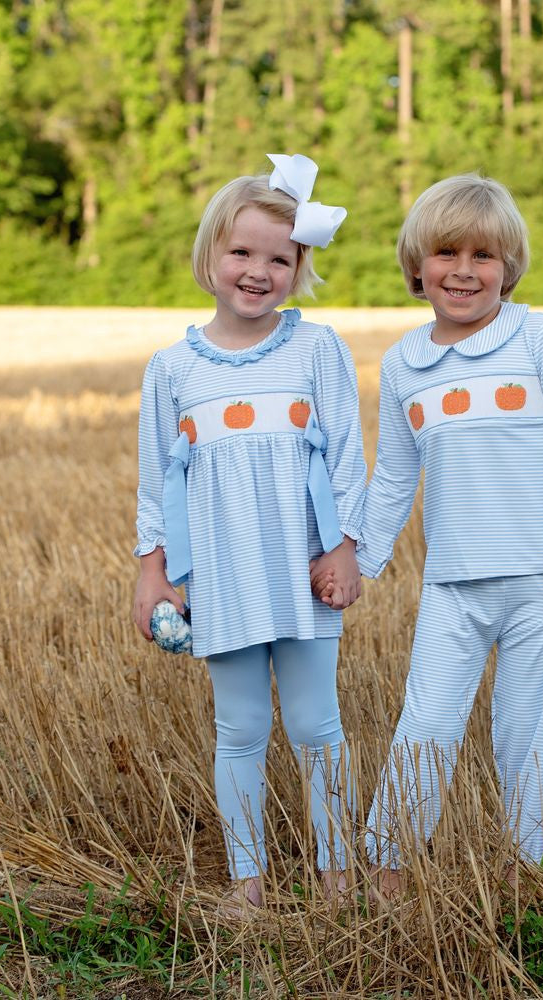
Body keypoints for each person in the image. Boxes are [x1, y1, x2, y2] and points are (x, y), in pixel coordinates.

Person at [313, 173, 543, 892]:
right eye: (447, 252)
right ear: (418, 265)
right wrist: (358, 558)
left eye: (484, 255)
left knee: (527, 731)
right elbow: (393, 480)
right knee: (427, 725)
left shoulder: (539, 337)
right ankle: (390, 865)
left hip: (541, 581)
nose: (465, 269)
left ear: (508, 268)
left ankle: (526, 867)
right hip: (451, 583)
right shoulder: (404, 365)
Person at [133, 154, 364, 913]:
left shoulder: (317, 349)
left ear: (300, 267)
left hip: (300, 570)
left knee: (315, 724)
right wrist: (152, 570)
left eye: (279, 257)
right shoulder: (172, 370)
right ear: (210, 256)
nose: (257, 271)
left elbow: (347, 459)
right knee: (239, 728)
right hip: (224, 575)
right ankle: (248, 885)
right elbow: (156, 481)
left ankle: (337, 880)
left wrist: (343, 548)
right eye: (241, 252)